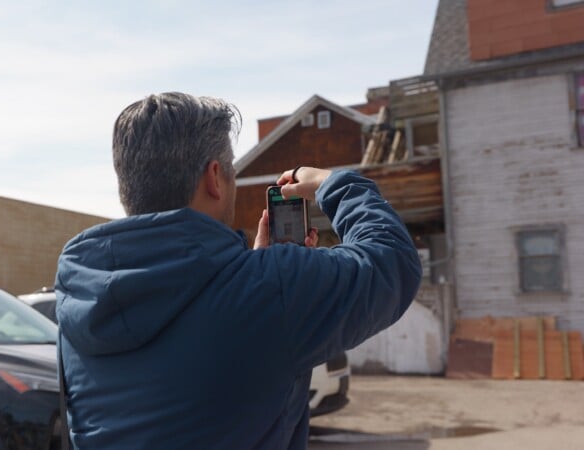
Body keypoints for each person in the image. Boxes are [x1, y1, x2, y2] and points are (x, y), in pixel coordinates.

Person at [54, 92, 422, 449]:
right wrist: (334, 185)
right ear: (214, 177)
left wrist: (253, 270)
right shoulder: (272, 288)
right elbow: (392, 263)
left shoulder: (80, 292)